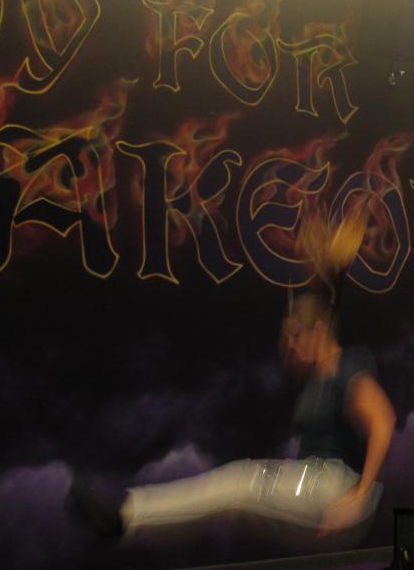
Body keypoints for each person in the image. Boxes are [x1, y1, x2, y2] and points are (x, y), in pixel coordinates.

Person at [68, 210, 395, 544]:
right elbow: (324, 305)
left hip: (336, 488)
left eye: (296, 338)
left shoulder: (346, 365)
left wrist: (359, 496)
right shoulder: (323, 375)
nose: (291, 348)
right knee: (238, 495)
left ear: (319, 333)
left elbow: (382, 420)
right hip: (317, 484)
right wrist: (324, 271)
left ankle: (124, 515)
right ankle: (130, 515)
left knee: (239, 483)